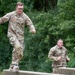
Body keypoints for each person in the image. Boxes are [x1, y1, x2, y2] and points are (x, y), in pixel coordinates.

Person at [0, 2, 36, 71]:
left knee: (20, 53)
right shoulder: (11, 14)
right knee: (18, 46)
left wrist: (32, 29)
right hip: (12, 35)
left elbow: (30, 24)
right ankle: (14, 64)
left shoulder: (25, 16)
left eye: (22, 9)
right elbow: (2, 19)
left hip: (20, 37)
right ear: (16, 8)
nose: (20, 10)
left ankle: (13, 65)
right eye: (19, 9)